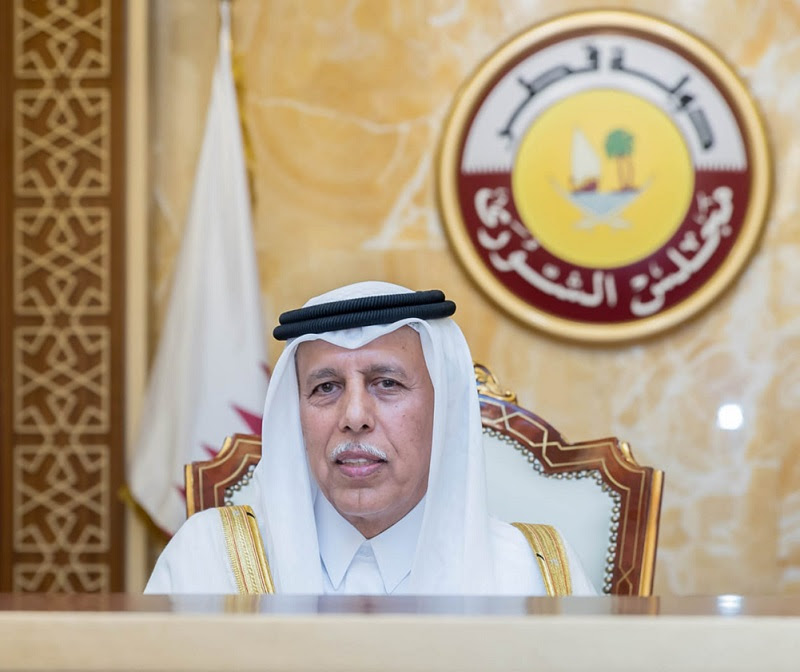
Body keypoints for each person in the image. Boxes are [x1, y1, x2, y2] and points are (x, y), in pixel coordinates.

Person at [144, 281, 596, 595]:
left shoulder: (534, 576)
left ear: (443, 411)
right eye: (326, 387)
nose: (355, 417)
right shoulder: (211, 563)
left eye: (387, 383)